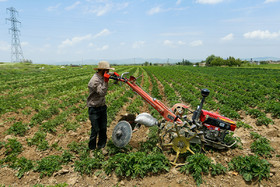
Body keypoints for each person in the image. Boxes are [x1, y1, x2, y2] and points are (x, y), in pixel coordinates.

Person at [87, 61, 115, 150]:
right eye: (106, 70)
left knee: (103, 129)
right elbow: (102, 93)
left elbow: (110, 74)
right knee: (95, 130)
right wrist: (106, 81)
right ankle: (92, 149)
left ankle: (101, 147)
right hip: (94, 108)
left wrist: (115, 75)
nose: (107, 71)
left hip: (102, 107)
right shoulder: (94, 80)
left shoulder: (103, 75)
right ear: (102, 70)